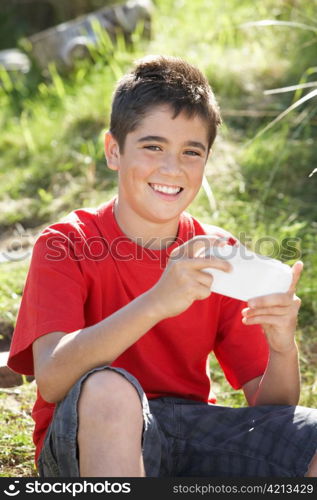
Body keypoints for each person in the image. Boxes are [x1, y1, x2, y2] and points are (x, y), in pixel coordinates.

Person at [8, 55, 317, 478]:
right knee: (109, 390)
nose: (172, 168)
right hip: (87, 435)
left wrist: (282, 346)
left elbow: (271, 415)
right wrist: (157, 301)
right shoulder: (66, 244)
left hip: (188, 430)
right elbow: (53, 378)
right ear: (113, 150)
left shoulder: (217, 253)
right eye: (153, 146)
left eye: (191, 152)